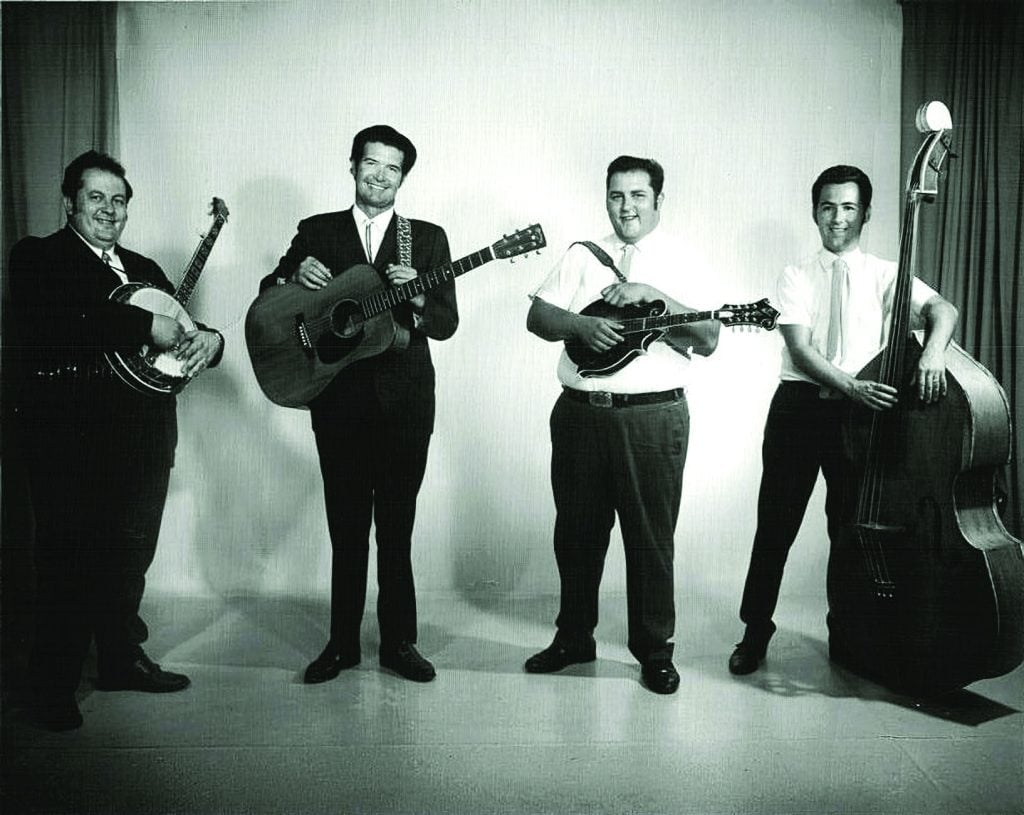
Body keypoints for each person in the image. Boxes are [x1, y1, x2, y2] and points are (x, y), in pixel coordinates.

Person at [8, 150, 225, 730]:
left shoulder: (144, 267)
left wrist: (210, 340)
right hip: (71, 442)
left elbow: (176, 327)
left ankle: (120, 658)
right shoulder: (38, 257)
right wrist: (143, 325)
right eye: (96, 197)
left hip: (146, 437)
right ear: (70, 203)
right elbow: (57, 318)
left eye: (119, 199)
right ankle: (51, 685)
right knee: (67, 562)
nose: (109, 209)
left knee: (130, 557)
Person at [728, 164, 959, 676]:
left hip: (860, 420)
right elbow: (801, 350)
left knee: (849, 531)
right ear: (815, 212)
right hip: (800, 410)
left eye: (849, 207)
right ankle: (754, 634)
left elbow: (944, 309)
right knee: (775, 527)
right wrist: (852, 386)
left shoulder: (885, 273)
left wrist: (933, 354)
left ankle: (848, 637)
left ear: (867, 214)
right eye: (828, 207)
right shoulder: (796, 275)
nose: (838, 217)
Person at [260, 124, 457, 684]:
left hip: (406, 407)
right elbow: (269, 294)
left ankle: (399, 644)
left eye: (392, 168)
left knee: (396, 530)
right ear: (352, 167)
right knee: (345, 531)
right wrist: (290, 274)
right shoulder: (318, 231)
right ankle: (342, 644)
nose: (379, 175)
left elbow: (445, 322)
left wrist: (417, 293)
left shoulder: (427, 239)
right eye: (370, 163)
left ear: (403, 178)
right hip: (338, 402)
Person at [524, 155, 719, 695]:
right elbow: (538, 317)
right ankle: (573, 638)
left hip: (652, 418)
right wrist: (582, 323)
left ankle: (655, 651)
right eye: (616, 195)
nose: (626, 206)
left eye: (638, 195)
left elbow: (708, 338)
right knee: (577, 535)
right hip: (581, 415)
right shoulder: (583, 254)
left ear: (659, 200)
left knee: (650, 539)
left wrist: (651, 294)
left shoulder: (685, 257)